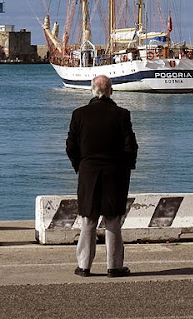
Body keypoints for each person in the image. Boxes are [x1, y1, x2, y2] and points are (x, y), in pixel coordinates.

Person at [66, 74, 138, 278]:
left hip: (88, 171)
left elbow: (71, 146)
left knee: (88, 219)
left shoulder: (79, 114)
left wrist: (80, 165)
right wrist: (125, 168)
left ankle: (84, 266)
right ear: (111, 91)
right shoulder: (122, 114)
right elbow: (130, 147)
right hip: (114, 172)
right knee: (113, 220)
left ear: (91, 90)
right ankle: (114, 266)